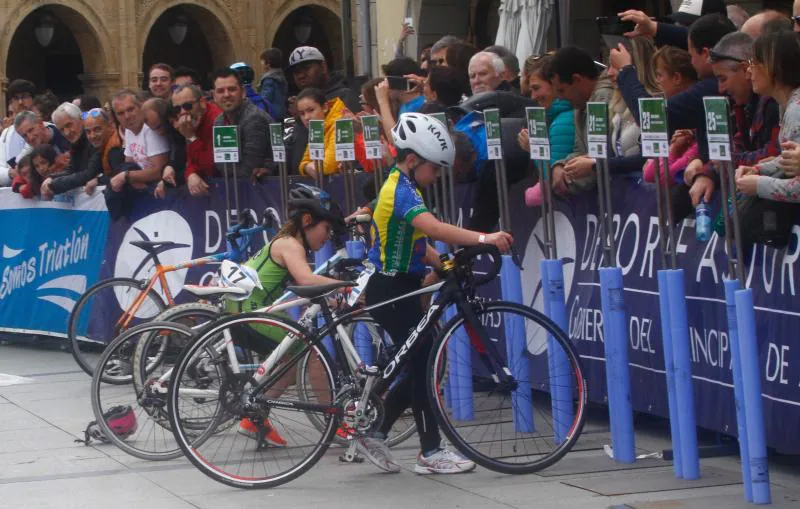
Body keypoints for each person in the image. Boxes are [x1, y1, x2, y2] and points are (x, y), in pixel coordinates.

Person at [356, 112, 512, 475]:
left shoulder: (406, 184)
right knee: (424, 363)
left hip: (401, 287)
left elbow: (419, 240)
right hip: (391, 290)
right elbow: (434, 227)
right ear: (413, 161)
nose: (437, 175)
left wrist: (441, 263)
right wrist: (485, 238)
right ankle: (430, 451)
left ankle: (377, 432)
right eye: (434, 168)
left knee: (420, 363)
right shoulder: (399, 189)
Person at [229, 183, 347, 445]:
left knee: (293, 357)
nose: (327, 236)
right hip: (250, 313)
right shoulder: (290, 245)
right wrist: (343, 287)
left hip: (246, 310)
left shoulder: (286, 242)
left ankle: (255, 417)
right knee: (312, 354)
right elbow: (305, 279)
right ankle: (334, 423)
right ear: (307, 221)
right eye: (325, 228)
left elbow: (298, 287)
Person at [735, 31, 800, 202]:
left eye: (754, 63)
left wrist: (759, 185)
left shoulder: (795, 111)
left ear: (773, 67)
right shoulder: (785, 105)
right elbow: (791, 160)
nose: (749, 72)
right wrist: (759, 169)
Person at [547, 46, 614, 194]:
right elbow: (581, 150)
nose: (559, 98)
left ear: (577, 79)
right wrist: (560, 166)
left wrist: (569, 179)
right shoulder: (580, 107)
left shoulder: (603, 99)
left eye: (561, 90)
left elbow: (604, 154)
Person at [287, 46, 361, 172]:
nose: (301, 75)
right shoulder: (298, 103)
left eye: (306, 68)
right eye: (296, 72)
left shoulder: (344, 97)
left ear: (323, 67)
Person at [516, 54, 575, 206]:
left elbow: (553, 180)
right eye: (531, 91)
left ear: (555, 84)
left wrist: (534, 148)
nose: (533, 96)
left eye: (536, 88)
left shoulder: (563, 121)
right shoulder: (556, 117)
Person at [643, 47, 699, 184]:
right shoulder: (682, 131)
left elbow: (662, 175)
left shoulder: (697, 122)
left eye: (660, 75)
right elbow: (649, 172)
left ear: (676, 78)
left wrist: (673, 149)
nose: (657, 81)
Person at [159, 84, 223, 197]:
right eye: (177, 109)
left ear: (202, 102)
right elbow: (191, 160)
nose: (183, 112)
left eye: (187, 106)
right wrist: (190, 173)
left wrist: (191, 137)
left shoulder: (217, 120)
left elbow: (211, 167)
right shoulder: (193, 120)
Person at [212, 67, 274, 181]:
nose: (226, 95)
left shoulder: (255, 118)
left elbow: (248, 169)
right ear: (214, 96)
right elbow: (220, 164)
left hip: (263, 190)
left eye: (231, 89)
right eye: (220, 91)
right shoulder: (219, 121)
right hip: (235, 187)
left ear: (243, 92)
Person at [296, 88, 369, 179]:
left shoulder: (340, 122)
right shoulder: (318, 128)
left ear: (325, 107)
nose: (306, 117)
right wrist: (307, 167)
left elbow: (328, 166)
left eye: (311, 110)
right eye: (302, 113)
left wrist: (311, 167)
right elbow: (304, 162)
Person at [113, 89, 170, 191]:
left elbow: (159, 171)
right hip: (142, 185)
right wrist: (131, 178)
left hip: (159, 187)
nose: (127, 116)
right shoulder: (129, 130)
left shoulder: (150, 129)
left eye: (130, 109)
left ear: (140, 107)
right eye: (121, 113)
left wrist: (127, 176)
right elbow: (128, 163)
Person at [42, 102, 97, 197]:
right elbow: (72, 170)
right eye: (62, 130)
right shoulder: (76, 143)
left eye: (69, 125)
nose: (66, 133)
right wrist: (51, 178)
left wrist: (54, 185)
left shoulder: (94, 139)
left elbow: (89, 173)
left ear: (81, 120)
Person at [0, 79, 35, 187]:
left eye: (24, 96)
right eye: (16, 98)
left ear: (33, 99)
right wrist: (10, 173)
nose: (20, 102)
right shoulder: (6, 133)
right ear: (11, 102)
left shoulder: (43, 127)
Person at [82, 108, 124, 197]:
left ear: (110, 126)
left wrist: (98, 180)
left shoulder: (114, 150)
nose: (92, 136)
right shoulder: (103, 145)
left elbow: (120, 175)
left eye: (97, 129)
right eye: (88, 132)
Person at [259, 48, 289, 120]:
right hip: (282, 113)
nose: (261, 63)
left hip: (271, 115)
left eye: (262, 61)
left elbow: (265, 99)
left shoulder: (269, 79)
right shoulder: (281, 76)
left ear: (268, 63)